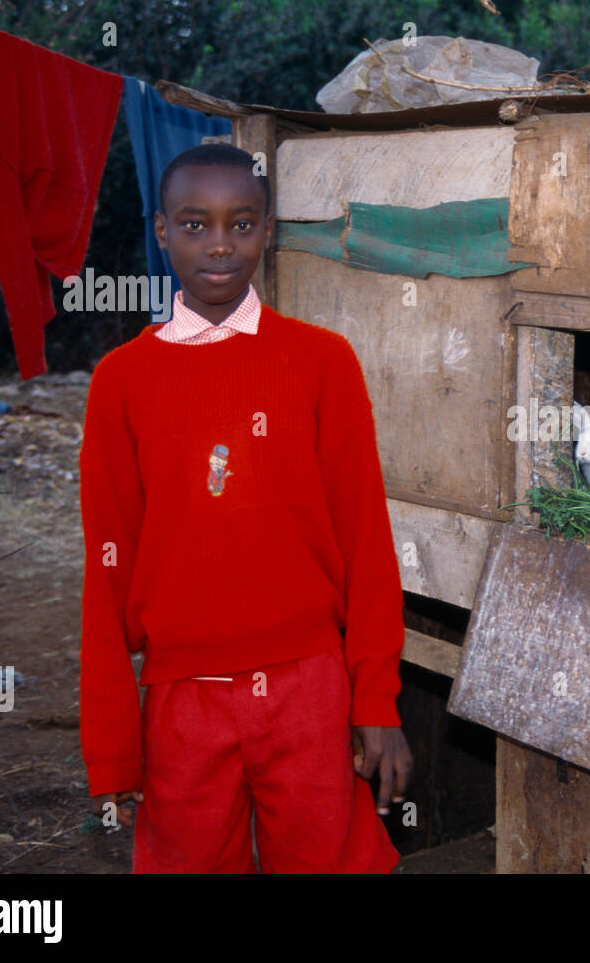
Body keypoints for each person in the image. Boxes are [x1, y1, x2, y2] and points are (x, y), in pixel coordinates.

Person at [78, 143, 411, 873]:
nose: (221, 244)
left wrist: (375, 700)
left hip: (311, 689)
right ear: (160, 231)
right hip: (181, 702)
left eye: (243, 223)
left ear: (269, 232)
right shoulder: (121, 382)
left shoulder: (322, 362)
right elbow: (105, 567)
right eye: (195, 225)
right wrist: (112, 747)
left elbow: (365, 540)